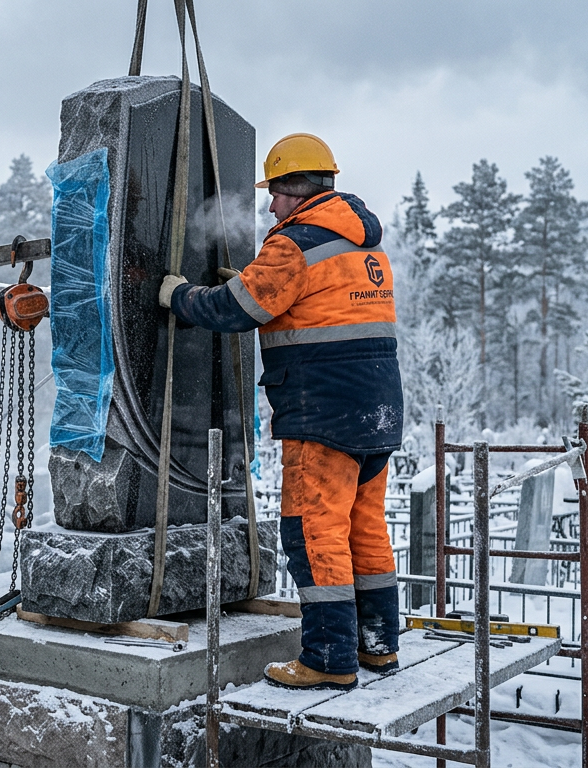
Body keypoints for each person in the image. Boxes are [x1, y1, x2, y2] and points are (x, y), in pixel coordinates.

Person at [159, 133, 403, 690]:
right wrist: (254, 283)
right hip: (378, 411)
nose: (270, 205)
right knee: (363, 527)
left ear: (296, 189)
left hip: (323, 416)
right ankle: (378, 648)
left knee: (313, 532)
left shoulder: (293, 244)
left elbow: (239, 309)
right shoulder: (361, 244)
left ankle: (328, 660)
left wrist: (179, 295)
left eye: (275, 193)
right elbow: (310, 308)